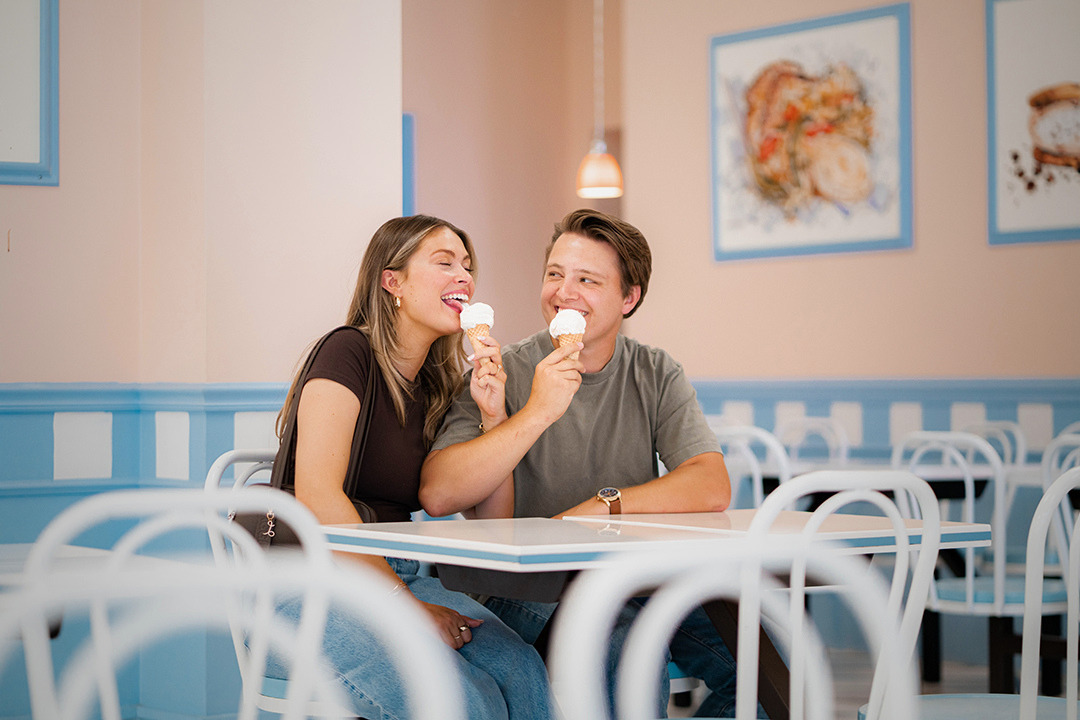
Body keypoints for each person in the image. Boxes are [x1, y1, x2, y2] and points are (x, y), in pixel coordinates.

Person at [420, 208, 747, 718]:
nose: (563, 292)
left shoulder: (655, 372)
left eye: (587, 280)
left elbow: (710, 482)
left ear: (629, 298)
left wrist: (603, 505)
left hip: (633, 581)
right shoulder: (500, 368)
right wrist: (525, 413)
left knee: (770, 656)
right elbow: (440, 494)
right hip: (531, 592)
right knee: (624, 645)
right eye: (555, 274)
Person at [270, 215, 557, 720]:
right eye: (444, 263)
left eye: (467, 266)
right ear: (392, 282)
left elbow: (493, 522)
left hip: (397, 573)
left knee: (523, 672)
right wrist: (405, 604)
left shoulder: (438, 385)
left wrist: (494, 416)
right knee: (468, 703)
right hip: (306, 578)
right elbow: (317, 499)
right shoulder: (347, 352)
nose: (464, 276)